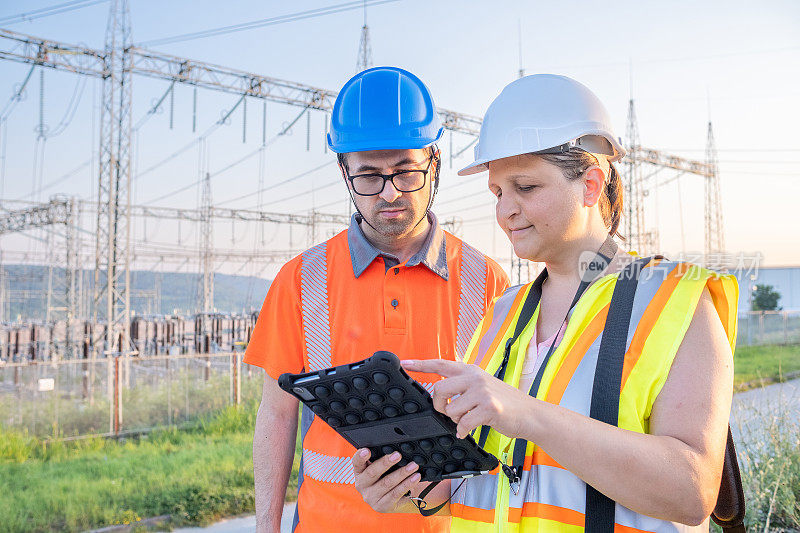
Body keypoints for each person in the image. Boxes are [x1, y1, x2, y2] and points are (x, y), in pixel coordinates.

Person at [352, 74, 738, 532]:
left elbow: (692, 494)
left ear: (591, 185)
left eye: (526, 187)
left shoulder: (676, 301)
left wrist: (527, 415)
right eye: (498, 191)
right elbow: (484, 482)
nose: (504, 210)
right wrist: (410, 489)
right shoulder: (502, 313)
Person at [244, 66, 509, 533]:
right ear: (344, 172)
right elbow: (276, 415)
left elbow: (507, 423)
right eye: (369, 176)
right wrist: (267, 527)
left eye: (406, 172)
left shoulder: (487, 279)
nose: (389, 193)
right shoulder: (300, 281)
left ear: (435, 163)